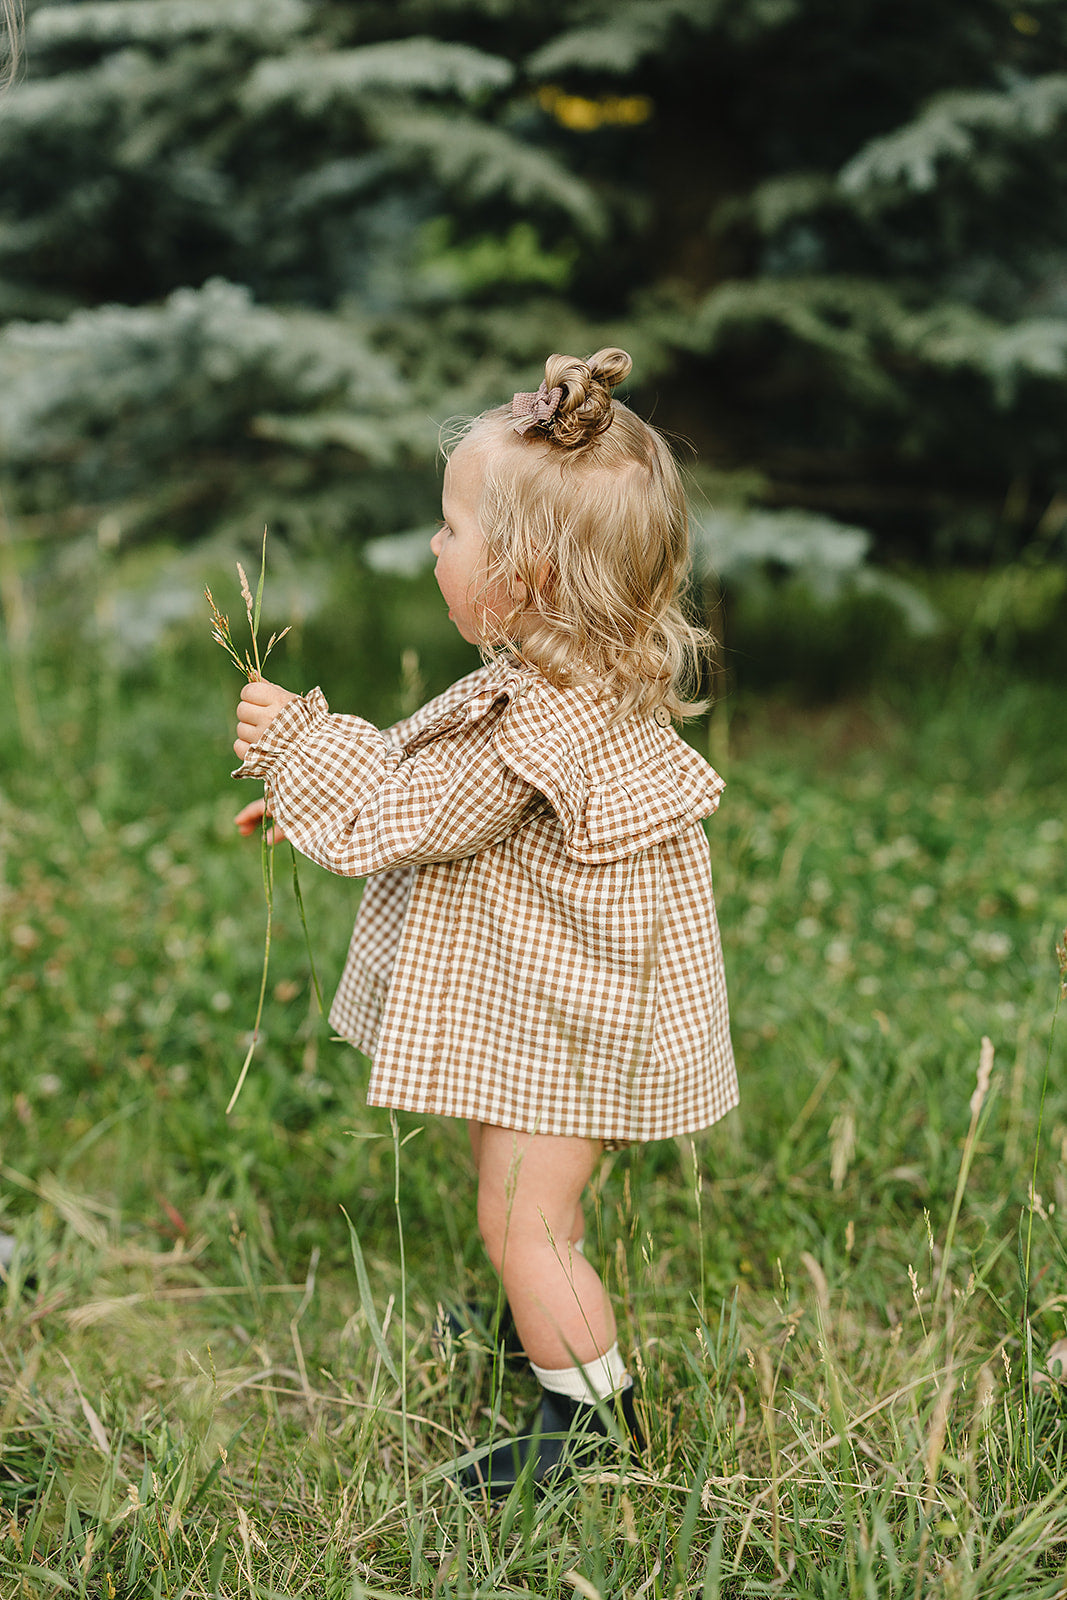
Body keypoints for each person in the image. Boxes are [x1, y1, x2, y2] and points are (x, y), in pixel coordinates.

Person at [231, 348, 738, 1495]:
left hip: (564, 1027)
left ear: (523, 578)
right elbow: (419, 790)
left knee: (525, 1219)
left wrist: (298, 746)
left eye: (452, 528)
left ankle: (588, 1416)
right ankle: (537, 1315)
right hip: (557, 1016)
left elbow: (402, 815)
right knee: (513, 1193)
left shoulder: (533, 727)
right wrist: (312, 797)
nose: (432, 545)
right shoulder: (571, 681)